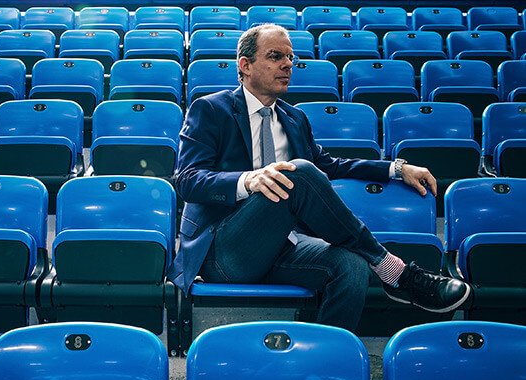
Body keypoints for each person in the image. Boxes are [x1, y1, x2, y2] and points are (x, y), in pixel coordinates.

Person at [167, 23, 470, 332]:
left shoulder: (295, 118)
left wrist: (396, 169)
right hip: (224, 252)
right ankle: (395, 272)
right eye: (275, 56)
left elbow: (331, 166)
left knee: (350, 265)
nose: (287, 64)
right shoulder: (210, 109)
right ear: (245, 65)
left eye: (290, 58)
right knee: (298, 173)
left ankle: (326, 360)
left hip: (281, 247)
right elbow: (188, 179)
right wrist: (250, 180)